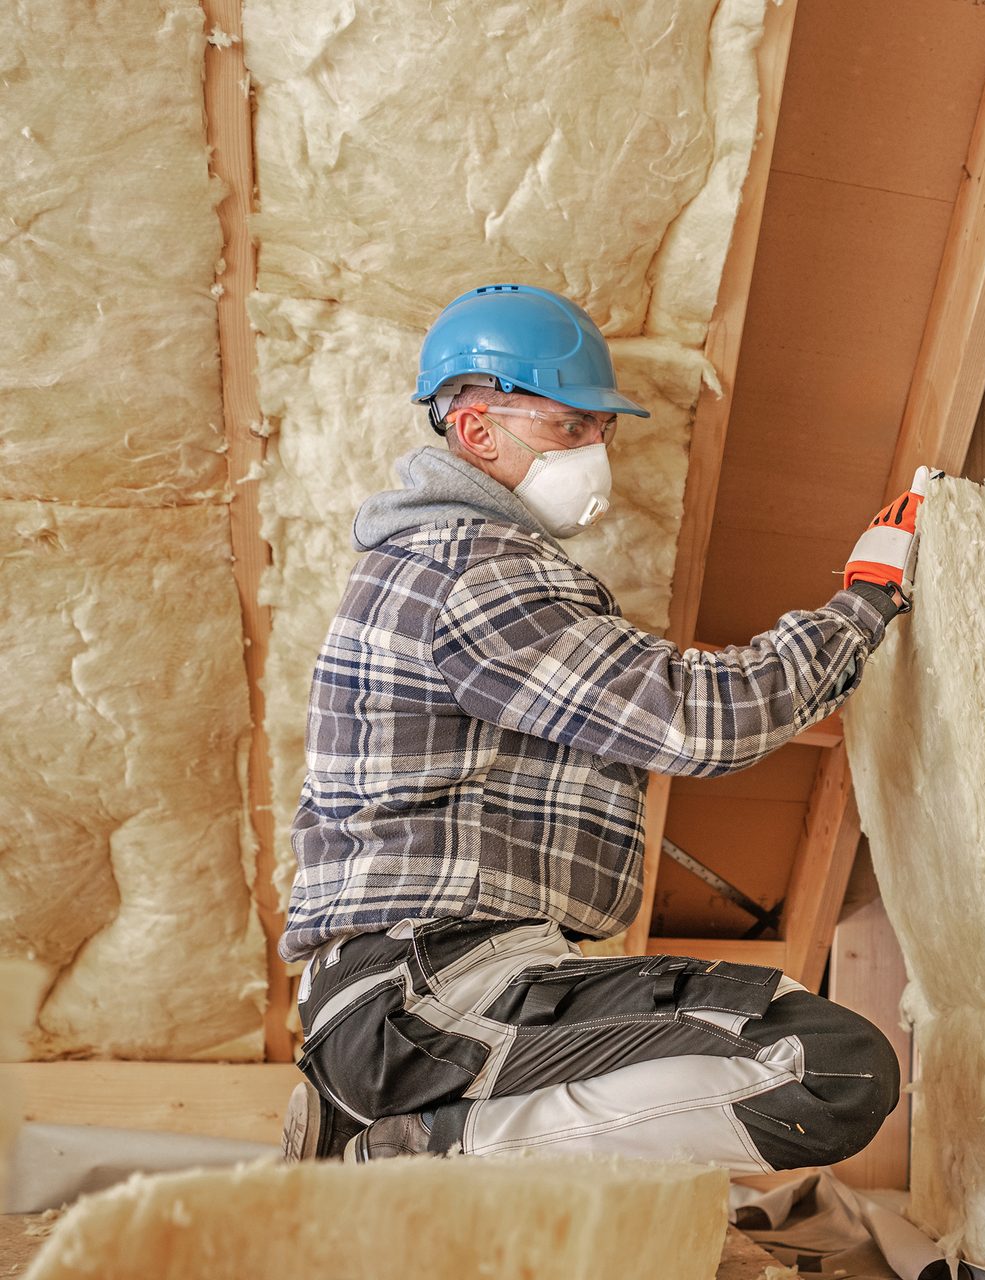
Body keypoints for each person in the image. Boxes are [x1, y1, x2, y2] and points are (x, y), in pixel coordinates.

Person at [278, 283, 928, 1168]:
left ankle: (405, 1142)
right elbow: (700, 721)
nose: (595, 451)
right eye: (567, 427)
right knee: (827, 1070)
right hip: (428, 998)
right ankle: (409, 1152)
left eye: (599, 429)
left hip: (418, 992)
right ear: (476, 432)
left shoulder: (449, 565)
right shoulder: (472, 569)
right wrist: (865, 600)